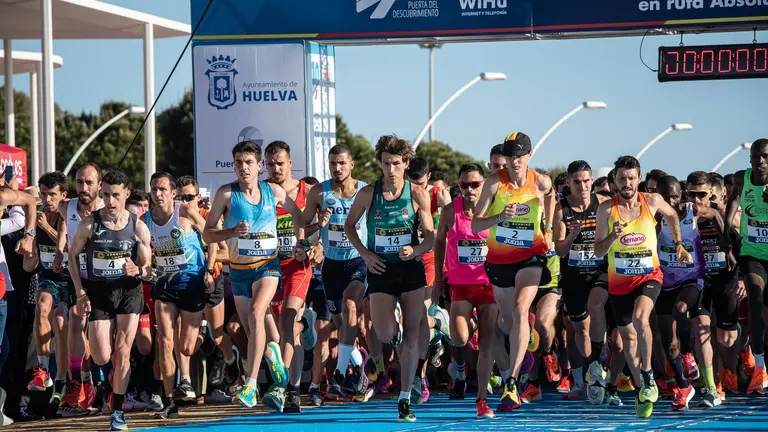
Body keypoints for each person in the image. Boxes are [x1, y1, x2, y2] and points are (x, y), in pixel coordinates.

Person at [203, 140, 307, 409]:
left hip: (267, 266)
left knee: (256, 313)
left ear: (259, 166)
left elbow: (298, 216)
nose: (243, 167)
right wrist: (231, 232)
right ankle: (273, 352)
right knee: (254, 331)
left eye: (249, 162)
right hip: (238, 272)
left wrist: (301, 242)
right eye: (238, 163)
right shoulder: (226, 194)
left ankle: (250, 386)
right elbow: (207, 234)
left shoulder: (274, 191)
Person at [593, 156, 691, 418]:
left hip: (649, 275)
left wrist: (679, 243)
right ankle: (641, 388)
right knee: (628, 339)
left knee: (640, 318)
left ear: (639, 178)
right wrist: (612, 236)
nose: (627, 183)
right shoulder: (606, 209)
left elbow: (672, 215)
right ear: (614, 181)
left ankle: (647, 376)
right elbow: (598, 250)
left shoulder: (652, 201)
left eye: (631, 177)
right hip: (619, 281)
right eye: (622, 178)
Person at [345, 135, 434, 423]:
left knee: (412, 336)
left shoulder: (417, 194)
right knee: (383, 333)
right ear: (380, 164)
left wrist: (416, 250)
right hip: (380, 268)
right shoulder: (368, 194)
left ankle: (405, 398)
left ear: (406, 163)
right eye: (386, 163)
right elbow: (349, 226)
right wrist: (365, 254)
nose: (391, 169)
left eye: (396, 163)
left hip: (409, 269)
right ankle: (398, 340)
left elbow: (431, 237)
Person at [471, 132, 556, 411]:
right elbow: (476, 224)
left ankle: (512, 382)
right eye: (510, 157)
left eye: (519, 156)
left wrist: (548, 228)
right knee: (507, 321)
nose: (515, 162)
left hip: (531, 255)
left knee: (520, 309)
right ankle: (524, 336)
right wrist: (499, 217)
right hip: (499, 259)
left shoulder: (540, 181)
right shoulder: (494, 183)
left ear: (529, 156)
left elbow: (551, 195)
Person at [68, 170, 153, 431]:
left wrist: (138, 269)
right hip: (99, 292)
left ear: (127, 194)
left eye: (116, 195)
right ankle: (109, 379)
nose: (110, 201)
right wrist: (80, 292)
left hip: (128, 291)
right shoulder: (90, 224)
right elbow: (72, 257)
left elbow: (149, 267)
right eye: (105, 195)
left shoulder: (137, 226)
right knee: (102, 355)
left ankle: (117, 411)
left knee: (124, 350)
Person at [144, 172, 216, 418]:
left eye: (163, 189)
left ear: (173, 193)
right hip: (165, 285)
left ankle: (204, 336)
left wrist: (209, 271)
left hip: (192, 283)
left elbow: (211, 237)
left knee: (185, 347)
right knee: (165, 340)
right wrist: (144, 266)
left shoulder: (184, 211)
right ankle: (169, 400)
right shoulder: (146, 219)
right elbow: (141, 249)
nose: (158, 194)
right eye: (154, 189)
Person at [303, 144, 372, 400]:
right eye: (333, 163)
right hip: (331, 266)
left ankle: (340, 373)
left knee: (351, 305)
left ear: (351, 164)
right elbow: (303, 228)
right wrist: (318, 224)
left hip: (358, 261)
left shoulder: (365, 191)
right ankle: (359, 364)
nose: (337, 168)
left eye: (342, 163)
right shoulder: (319, 192)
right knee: (344, 328)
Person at [434, 162, 501, 419]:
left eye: (474, 184)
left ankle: (482, 399)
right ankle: (470, 324)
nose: (469, 190)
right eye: (464, 185)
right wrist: (438, 277)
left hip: (488, 285)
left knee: (487, 344)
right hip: (460, 285)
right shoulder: (451, 210)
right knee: (460, 339)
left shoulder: (494, 209)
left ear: (483, 184)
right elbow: (439, 241)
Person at [261, 141, 318, 413]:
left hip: (297, 267)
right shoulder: (261, 191)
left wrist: (313, 246)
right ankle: (305, 326)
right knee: (283, 332)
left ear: (290, 163)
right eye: (270, 164)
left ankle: (285, 389)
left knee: (287, 321)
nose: (275, 169)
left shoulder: (307, 191)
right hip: (269, 267)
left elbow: (319, 227)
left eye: (280, 163)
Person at [553, 161, 611, 403]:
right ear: (568, 182)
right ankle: (584, 377)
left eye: (587, 181)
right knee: (580, 330)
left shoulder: (604, 204)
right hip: (574, 275)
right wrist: (572, 235)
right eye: (577, 182)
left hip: (600, 271)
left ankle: (598, 362)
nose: (583, 186)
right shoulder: (561, 209)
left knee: (597, 306)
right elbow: (559, 249)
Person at [176, 176, 240, 391]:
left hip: (212, 279)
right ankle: (184, 382)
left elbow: (227, 253)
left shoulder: (208, 218)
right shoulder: (173, 219)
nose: (184, 202)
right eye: (180, 198)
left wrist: (202, 259)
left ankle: (230, 360)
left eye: (188, 197)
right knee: (181, 334)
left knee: (219, 334)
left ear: (198, 197)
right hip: (186, 283)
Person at [654, 175, 712, 411]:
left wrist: (727, 241)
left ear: (682, 196)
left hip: (691, 278)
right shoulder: (653, 216)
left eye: (675, 196)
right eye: (665, 197)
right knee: (668, 343)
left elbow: (717, 214)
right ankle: (683, 386)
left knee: (681, 309)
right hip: (664, 282)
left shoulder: (692, 211)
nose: (671, 201)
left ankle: (688, 355)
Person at [54, 163, 104, 416]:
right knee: (74, 323)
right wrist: (59, 249)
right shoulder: (67, 206)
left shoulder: (107, 208)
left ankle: (104, 382)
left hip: (105, 279)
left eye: (89, 183)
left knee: (101, 339)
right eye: (79, 182)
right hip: (78, 276)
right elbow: (62, 221)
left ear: (99, 185)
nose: (83, 188)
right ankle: (80, 382)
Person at [722, 138, 768, 394]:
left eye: (765, 156)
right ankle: (759, 366)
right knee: (755, 298)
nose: (760, 161)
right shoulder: (742, 178)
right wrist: (726, 232)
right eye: (755, 156)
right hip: (752, 254)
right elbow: (733, 200)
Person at [24, 172, 69, 404]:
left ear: (63, 195)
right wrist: (30, 248)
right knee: (41, 307)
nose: (47, 199)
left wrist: (46, 228)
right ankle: (42, 370)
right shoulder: (36, 216)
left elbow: (69, 246)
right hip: (48, 277)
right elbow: (27, 264)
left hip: (72, 280)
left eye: (52, 194)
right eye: (43, 194)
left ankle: (72, 378)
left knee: (64, 327)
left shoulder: (68, 215)